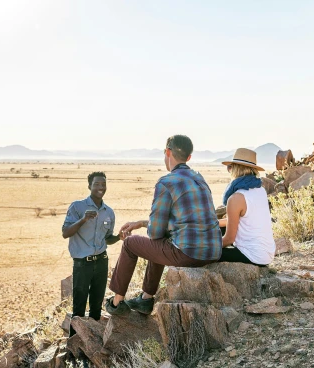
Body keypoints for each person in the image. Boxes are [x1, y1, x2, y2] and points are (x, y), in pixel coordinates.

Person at [105, 135, 223, 315]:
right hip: (214, 251)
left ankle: (116, 302)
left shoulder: (166, 182)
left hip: (189, 253)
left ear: (168, 152)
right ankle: (145, 299)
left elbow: (154, 234)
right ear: (189, 157)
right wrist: (142, 223)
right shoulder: (199, 178)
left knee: (130, 244)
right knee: (163, 240)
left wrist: (147, 226)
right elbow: (180, 223)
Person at [61, 172, 120, 325]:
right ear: (89, 186)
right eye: (97, 184)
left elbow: (108, 239)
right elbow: (65, 233)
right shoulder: (77, 207)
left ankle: (91, 346)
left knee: (96, 309)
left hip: (101, 263)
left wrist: (120, 237)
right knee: (78, 309)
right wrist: (83, 219)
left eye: (103, 184)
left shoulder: (109, 212)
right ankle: (73, 348)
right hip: (82, 264)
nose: (101, 187)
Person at [217, 148, 275, 266]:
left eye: (230, 167)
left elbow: (229, 239)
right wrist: (215, 223)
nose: (229, 171)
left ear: (236, 169)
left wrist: (208, 248)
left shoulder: (236, 198)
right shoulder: (260, 190)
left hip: (252, 256)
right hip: (266, 254)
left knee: (204, 254)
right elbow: (242, 220)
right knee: (216, 229)